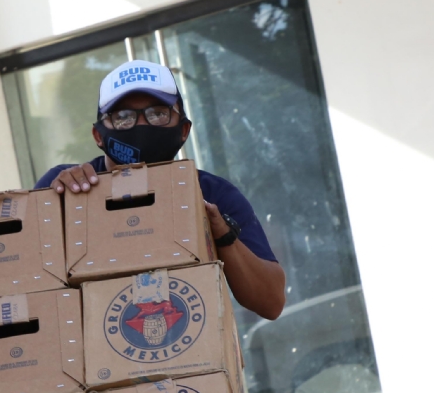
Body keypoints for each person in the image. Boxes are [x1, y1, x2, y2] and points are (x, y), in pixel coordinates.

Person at [36, 60, 287, 320]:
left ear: (184, 129)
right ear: (98, 135)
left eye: (158, 113)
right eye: (123, 117)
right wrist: (55, 209)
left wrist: (221, 234)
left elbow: (271, 303)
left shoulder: (212, 194)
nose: (142, 125)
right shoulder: (66, 188)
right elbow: (23, 288)